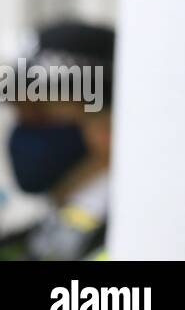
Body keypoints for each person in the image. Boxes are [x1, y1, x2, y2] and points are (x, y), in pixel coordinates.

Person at [0, 20, 114, 261]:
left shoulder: (137, 240)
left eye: (40, 112)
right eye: (21, 112)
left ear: (108, 125)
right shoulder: (38, 239)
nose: (24, 128)